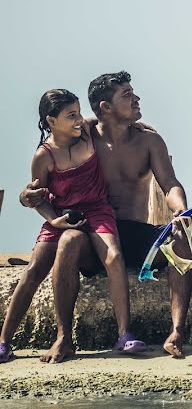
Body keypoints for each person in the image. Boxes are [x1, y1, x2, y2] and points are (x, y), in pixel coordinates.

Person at [18, 72, 191, 362]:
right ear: (105, 107)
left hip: (133, 232)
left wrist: (180, 209)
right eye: (127, 95)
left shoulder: (149, 141)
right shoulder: (82, 134)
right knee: (69, 242)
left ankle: (177, 332)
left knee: (180, 240)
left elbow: (170, 183)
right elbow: (48, 161)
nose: (136, 99)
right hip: (92, 232)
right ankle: (64, 337)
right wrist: (26, 196)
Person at [1, 89, 145, 365]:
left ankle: (125, 334)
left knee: (114, 256)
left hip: (98, 211)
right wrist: (52, 219)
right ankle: (4, 342)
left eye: (79, 112)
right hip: (61, 217)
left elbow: (115, 121)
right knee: (34, 269)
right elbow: (36, 196)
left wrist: (138, 125)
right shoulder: (43, 156)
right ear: (51, 121)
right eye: (71, 116)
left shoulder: (88, 132)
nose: (79, 119)